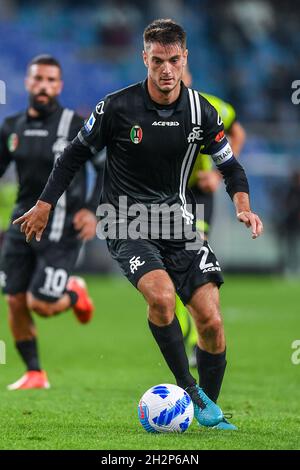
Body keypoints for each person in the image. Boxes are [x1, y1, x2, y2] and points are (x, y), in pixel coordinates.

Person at [14, 21, 263, 429]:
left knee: (211, 322)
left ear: (185, 59)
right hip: (124, 220)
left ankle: (207, 412)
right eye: (158, 60)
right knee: (162, 299)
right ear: (144, 58)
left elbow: (230, 166)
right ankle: (192, 391)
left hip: (179, 223)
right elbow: (73, 155)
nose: (167, 70)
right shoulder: (115, 107)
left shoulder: (203, 111)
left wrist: (243, 206)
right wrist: (44, 204)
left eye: (175, 60)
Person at [0, 55, 100, 390]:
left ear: (59, 85)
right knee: (14, 299)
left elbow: (104, 168)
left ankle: (73, 291)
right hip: (20, 224)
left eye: (51, 81)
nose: (44, 86)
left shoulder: (75, 125)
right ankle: (35, 373)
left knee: (40, 304)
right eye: (38, 79)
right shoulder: (11, 127)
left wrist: (90, 208)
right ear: (28, 82)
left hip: (62, 230)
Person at [176, 67, 247, 367]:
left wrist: (218, 174)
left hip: (198, 193)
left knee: (191, 255)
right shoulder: (151, 111)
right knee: (171, 271)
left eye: (181, 72)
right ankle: (186, 336)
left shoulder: (212, 107)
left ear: (189, 77)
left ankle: (194, 340)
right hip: (167, 195)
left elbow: (237, 132)